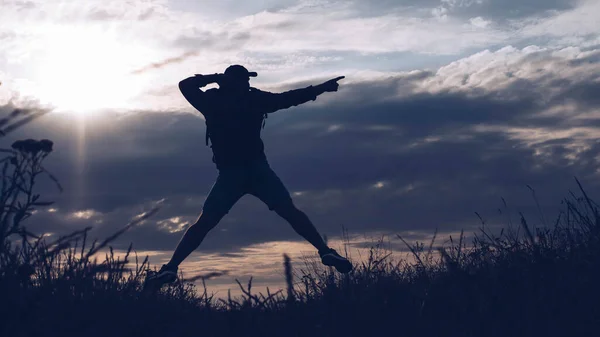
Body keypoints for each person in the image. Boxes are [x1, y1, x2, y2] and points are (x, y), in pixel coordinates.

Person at [144, 65, 351, 289]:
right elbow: (289, 98)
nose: (248, 83)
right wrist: (320, 88)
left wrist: (214, 78)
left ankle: (171, 267)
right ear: (237, 82)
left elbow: (185, 85)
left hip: (231, 175)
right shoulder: (253, 99)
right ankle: (325, 251)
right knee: (290, 212)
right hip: (257, 170)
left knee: (204, 224)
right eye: (244, 80)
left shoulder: (211, 101)